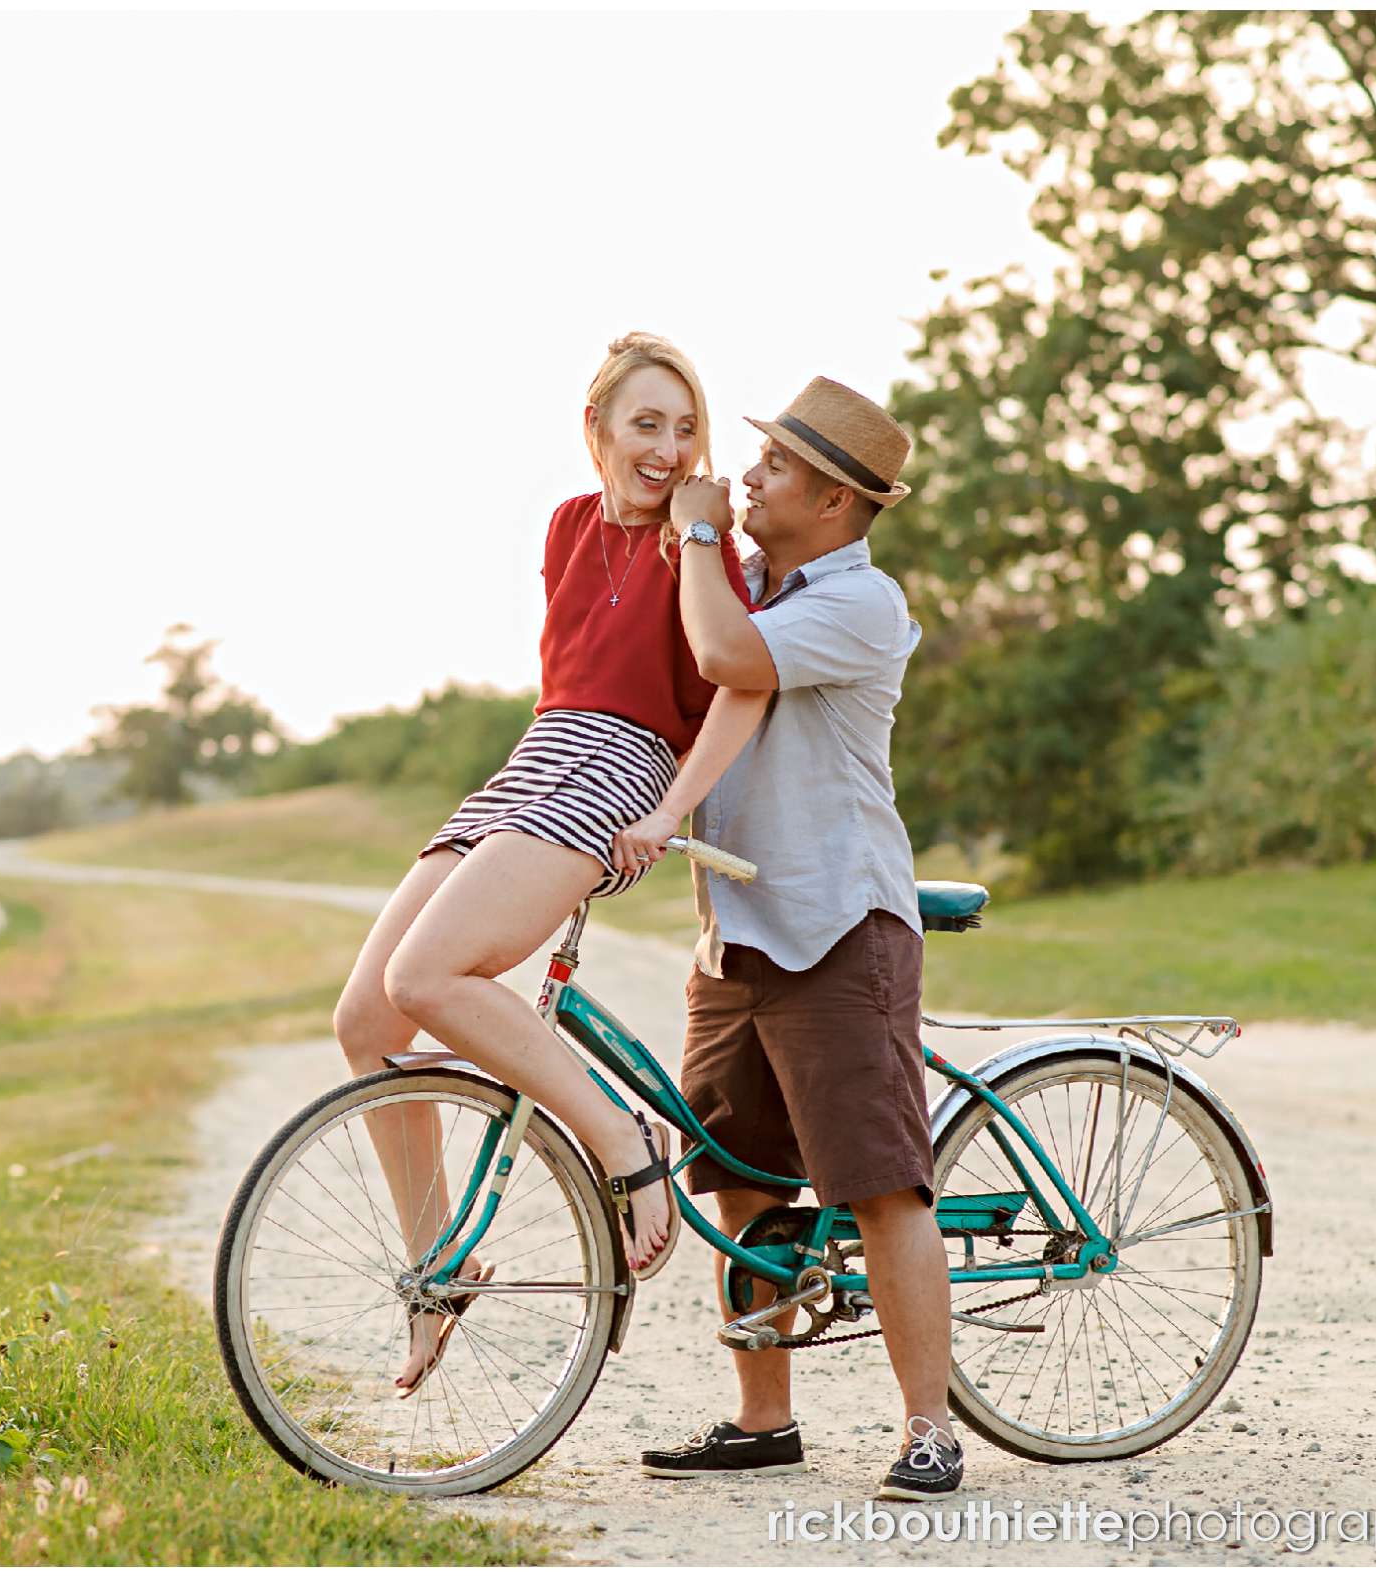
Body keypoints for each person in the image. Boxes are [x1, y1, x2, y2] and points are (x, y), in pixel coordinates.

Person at [333, 332, 773, 1398]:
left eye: (683, 428)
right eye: (644, 424)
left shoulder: (707, 547)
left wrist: (668, 811)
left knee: (428, 977)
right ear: (595, 432)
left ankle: (621, 1145)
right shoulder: (568, 525)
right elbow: (574, 677)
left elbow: (740, 688)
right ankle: (443, 1263)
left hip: (622, 765)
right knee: (365, 1021)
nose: (666, 448)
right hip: (537, 753)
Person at [634, 376, 963, 1500]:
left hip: (835, 924)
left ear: (832, 501)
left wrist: (690, 529)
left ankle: (930, 1427)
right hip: (736, 932)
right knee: (736, 1175)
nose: (749, 472)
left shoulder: (857, 602)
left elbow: (728, 660)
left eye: (773, 464)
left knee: (878, 1187)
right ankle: (762, 1415)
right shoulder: (754, 578)